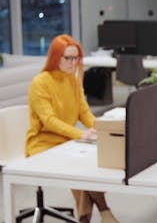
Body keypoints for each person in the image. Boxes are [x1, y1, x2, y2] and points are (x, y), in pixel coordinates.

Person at [25, 34, 119, 223]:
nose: (73, 62)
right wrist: (80, 133)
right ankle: (103, 211)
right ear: (55, 57)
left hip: (66, 140)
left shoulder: (73, 80)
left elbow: (84, 113)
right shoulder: (40, 82)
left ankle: (86, 218)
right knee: (80, 167)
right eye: (68, 58)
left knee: (90, 163)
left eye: (76, 58)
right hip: (42, 144)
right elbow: (49, 121)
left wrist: (101, 128)